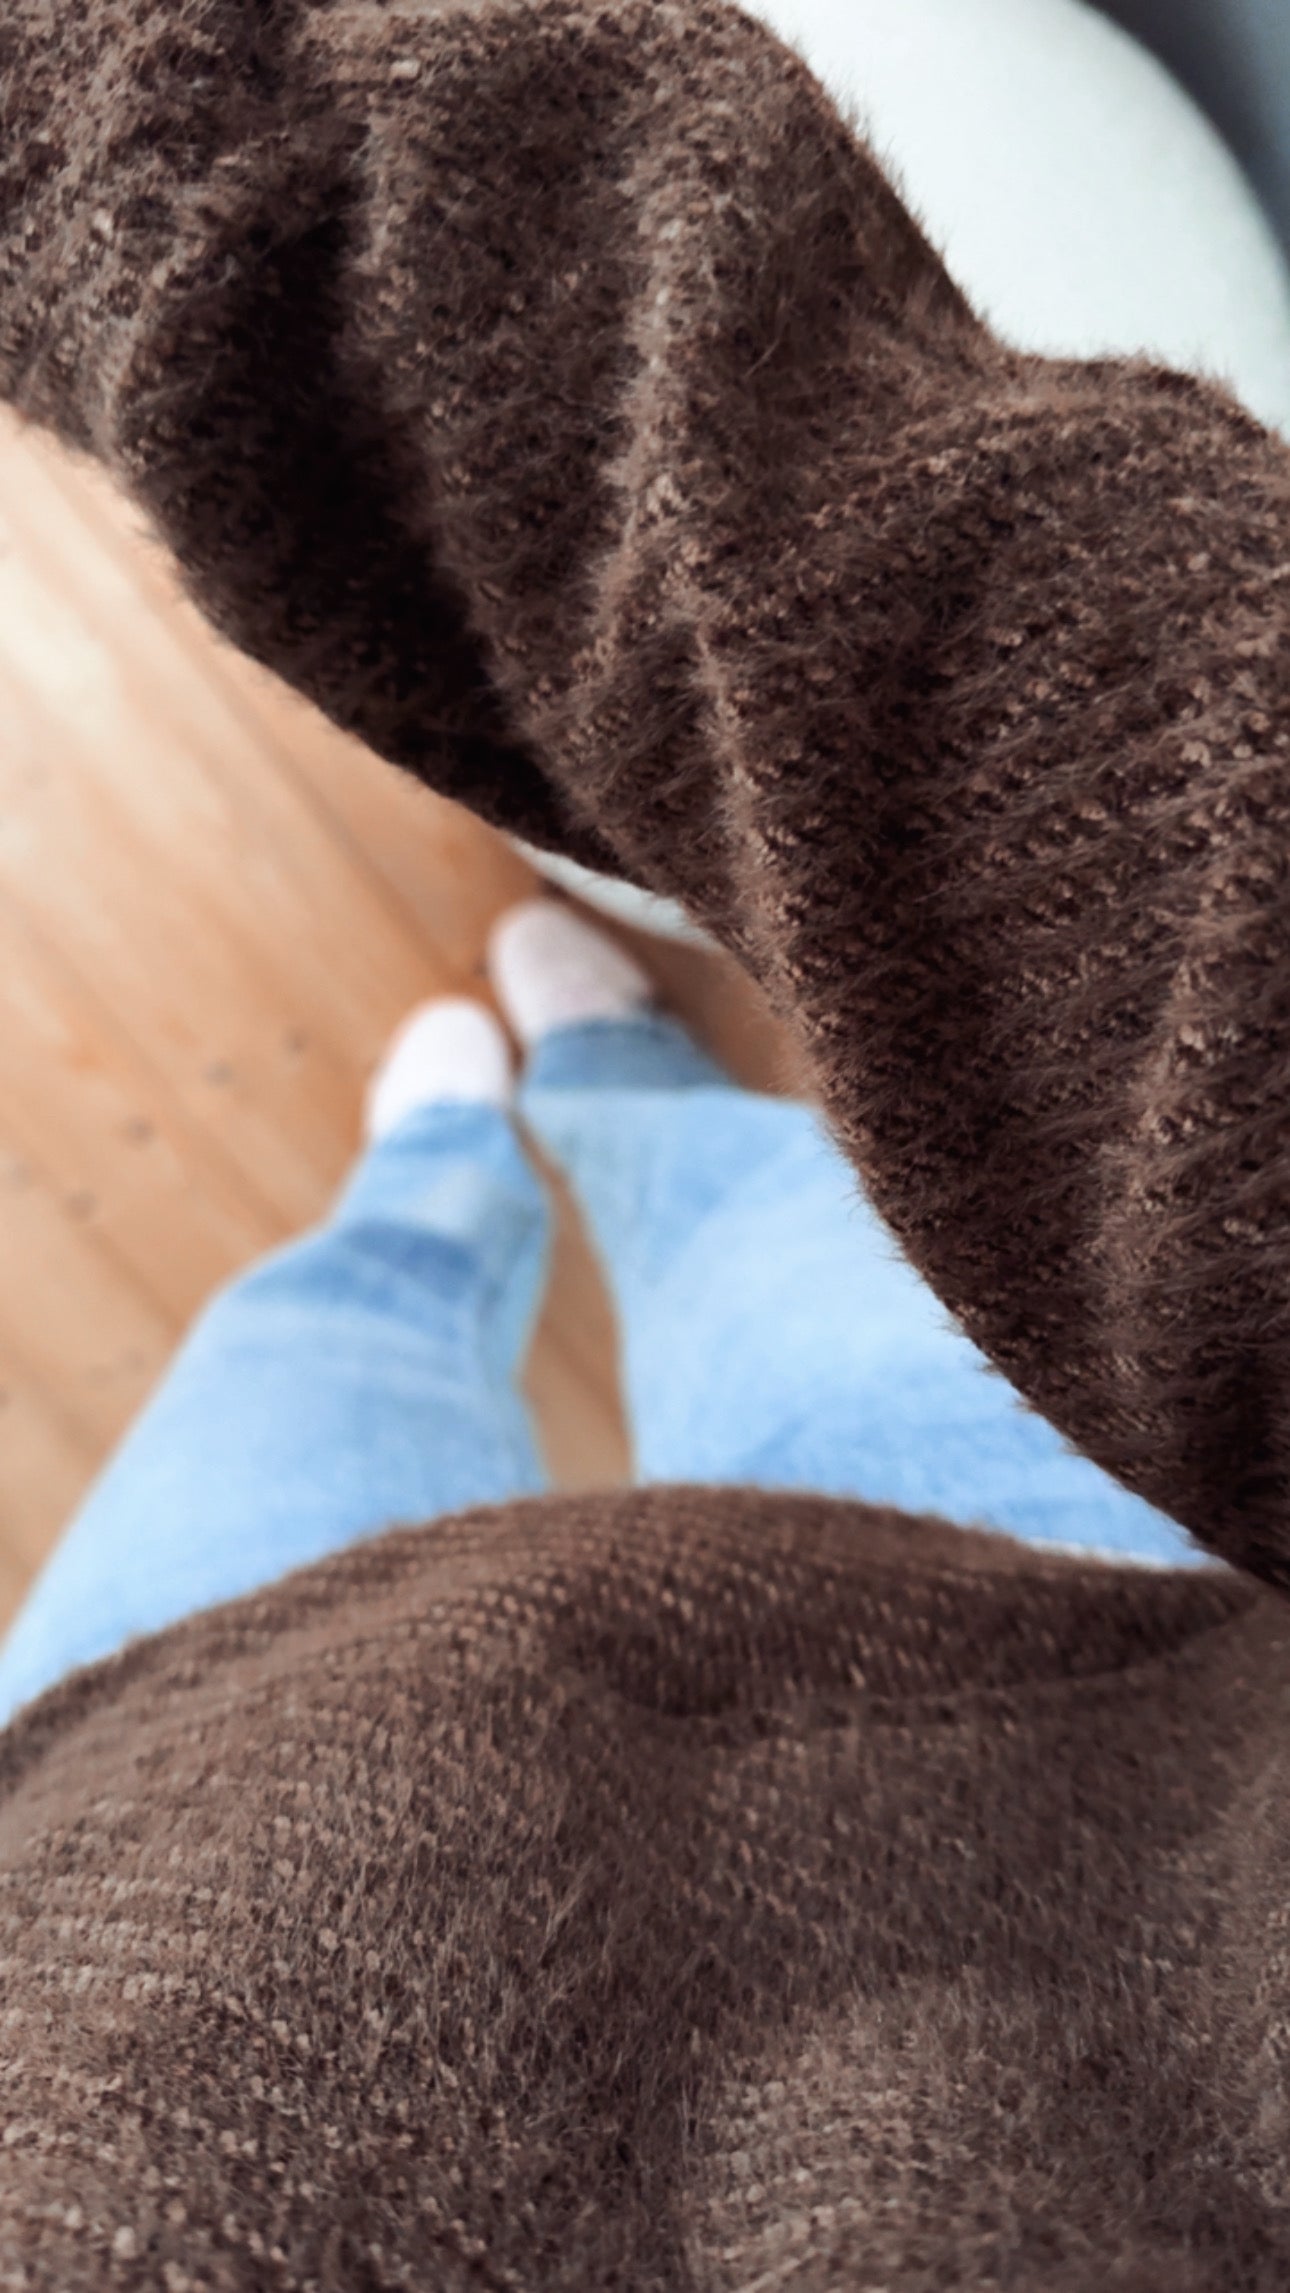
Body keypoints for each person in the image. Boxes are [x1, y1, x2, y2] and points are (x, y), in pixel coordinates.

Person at [4, 0, 1290, 2283]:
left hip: (116, 1832)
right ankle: (588, 1095)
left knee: (319, 1329)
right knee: (737, 1236)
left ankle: (455, 1159)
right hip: (1066, 1670)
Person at [0, 897, 1196, 1725]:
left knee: (303, 1358)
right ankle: (610, 1080)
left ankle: (436, 1163)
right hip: (1133, 1659)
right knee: (778, 1256)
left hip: (109, 1812)